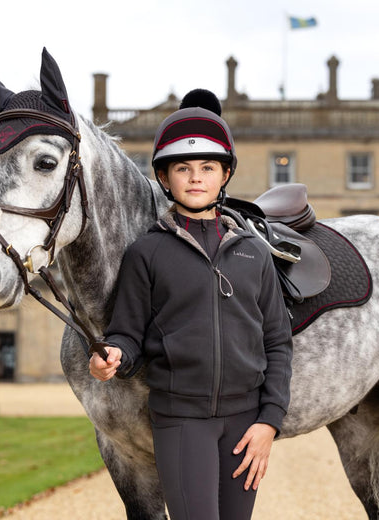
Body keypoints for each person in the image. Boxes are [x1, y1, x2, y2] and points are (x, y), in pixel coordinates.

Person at [90, 89, 293, 520]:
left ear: (225, 175)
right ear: (165, 178)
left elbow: (277, 341)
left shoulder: (253, 253)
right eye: (183, 167)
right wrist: (113, 355)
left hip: (246, 423)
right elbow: (127, 333)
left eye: (207, 167)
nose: (195, 177)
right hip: (181, 422)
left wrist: (269, 421)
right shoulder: (145, 254)